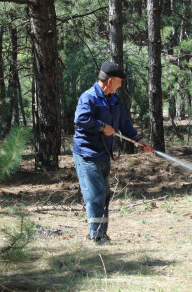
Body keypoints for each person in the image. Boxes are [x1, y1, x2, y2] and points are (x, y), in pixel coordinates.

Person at [73, 60, 150, 245]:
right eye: (119, 81)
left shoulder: (114, 99)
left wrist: (138, 139)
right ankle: (97, 237)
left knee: (105, 194)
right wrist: (102, 127)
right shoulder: (89, 97)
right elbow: (80, 119)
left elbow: (124, 123)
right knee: (95, 194)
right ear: (110, 81)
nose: (121, 85)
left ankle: (101, 234)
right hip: (87, 153)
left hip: (103, 153)